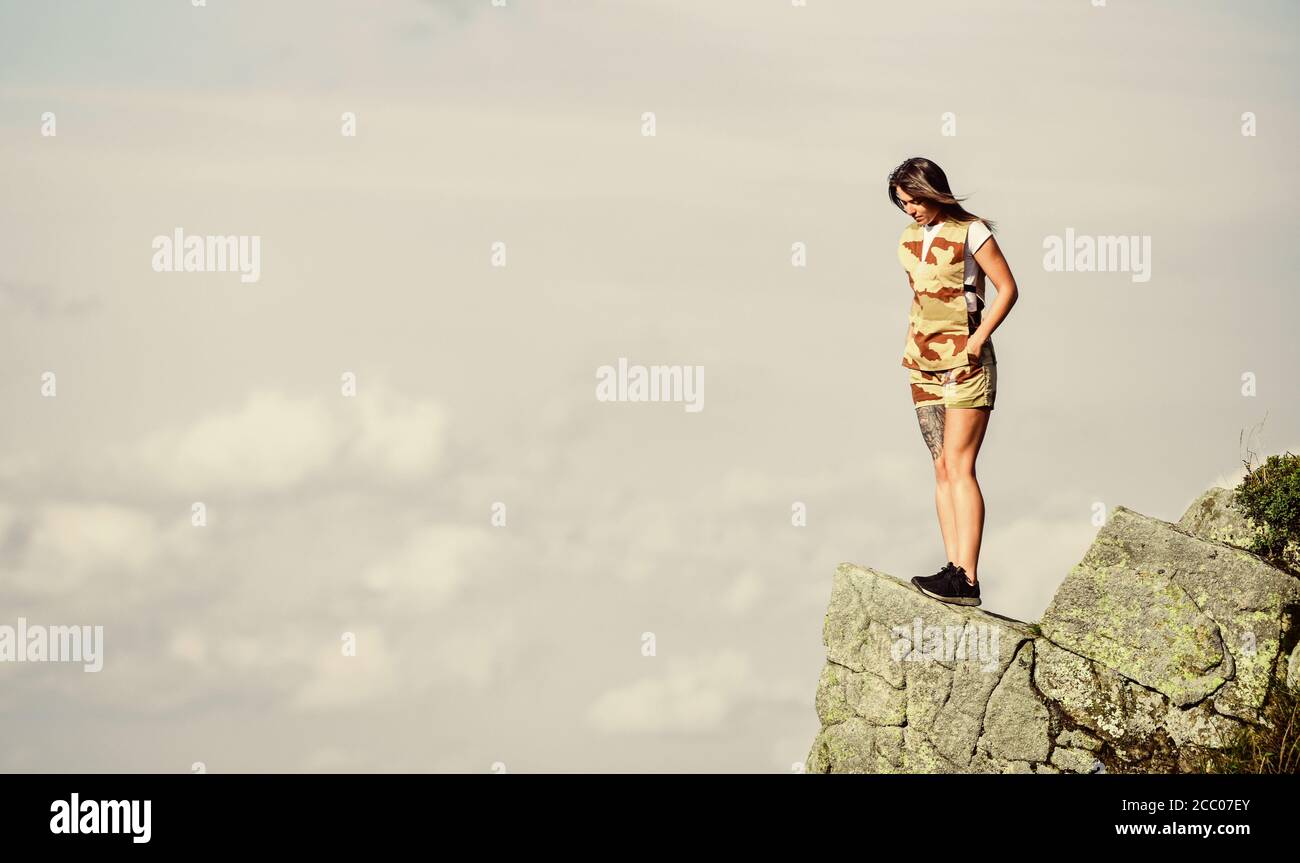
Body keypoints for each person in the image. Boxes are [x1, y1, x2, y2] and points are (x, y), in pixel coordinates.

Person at [887, 157, 1019, 607]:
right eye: (903, 204)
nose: (910, 211)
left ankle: (968, 575)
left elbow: (1007, 289)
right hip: (922, 362)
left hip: (966, 362)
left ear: (932, 190)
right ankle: (952, 568)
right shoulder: (907, 239)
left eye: (914, 201)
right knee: (941, 465)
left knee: (961, 465)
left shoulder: (973, 231)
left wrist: (977, 340)